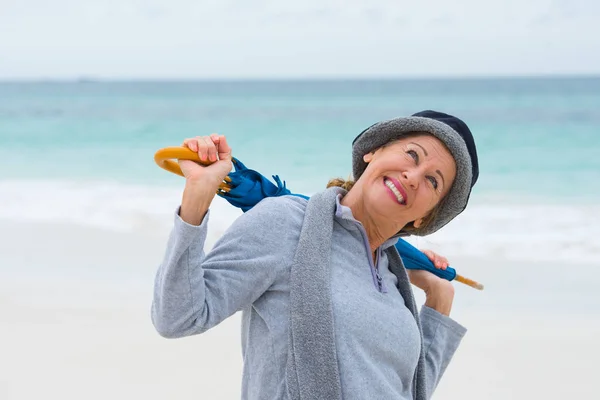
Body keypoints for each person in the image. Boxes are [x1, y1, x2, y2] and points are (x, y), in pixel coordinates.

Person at [151, 110, 479, 400]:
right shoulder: (287, 222)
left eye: (433, 181)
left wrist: (439, 298)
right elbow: (179, 316)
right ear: (373, 152)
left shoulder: (395, 280)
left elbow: (409, 389)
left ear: (425, 218)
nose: (413, 176)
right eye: (412, 154)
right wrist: (197, 196)